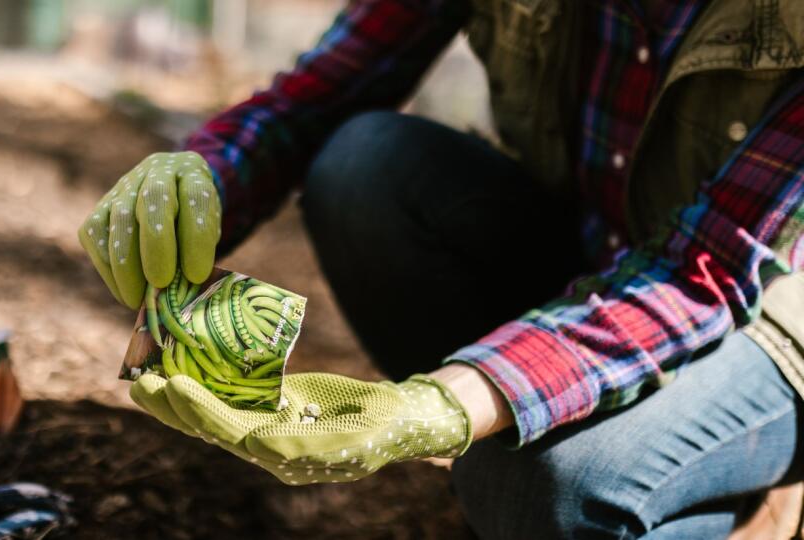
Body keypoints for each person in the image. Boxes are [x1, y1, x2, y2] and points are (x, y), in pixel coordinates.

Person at [79, 1, 804, 537]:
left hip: (761, 316)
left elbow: (695, 273)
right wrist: (205, 181)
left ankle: (718, 488)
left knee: (541, 484)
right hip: (590, 257)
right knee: (365, 166)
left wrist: (440, 407)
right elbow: (326, 90)